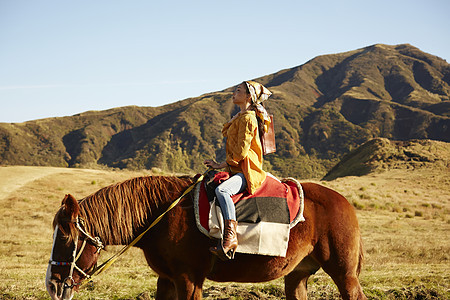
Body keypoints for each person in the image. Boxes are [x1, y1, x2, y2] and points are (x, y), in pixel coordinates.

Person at [204, 80, 272, 260]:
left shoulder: (249, 119)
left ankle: (230, 236)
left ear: (249, 96)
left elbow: (242, 151)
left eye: (238, 90)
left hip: (246, 171)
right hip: (236, 169)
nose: (234, 93)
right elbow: (225, 131)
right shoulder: (243, 117)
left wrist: (221, 165)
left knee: (222, 190)